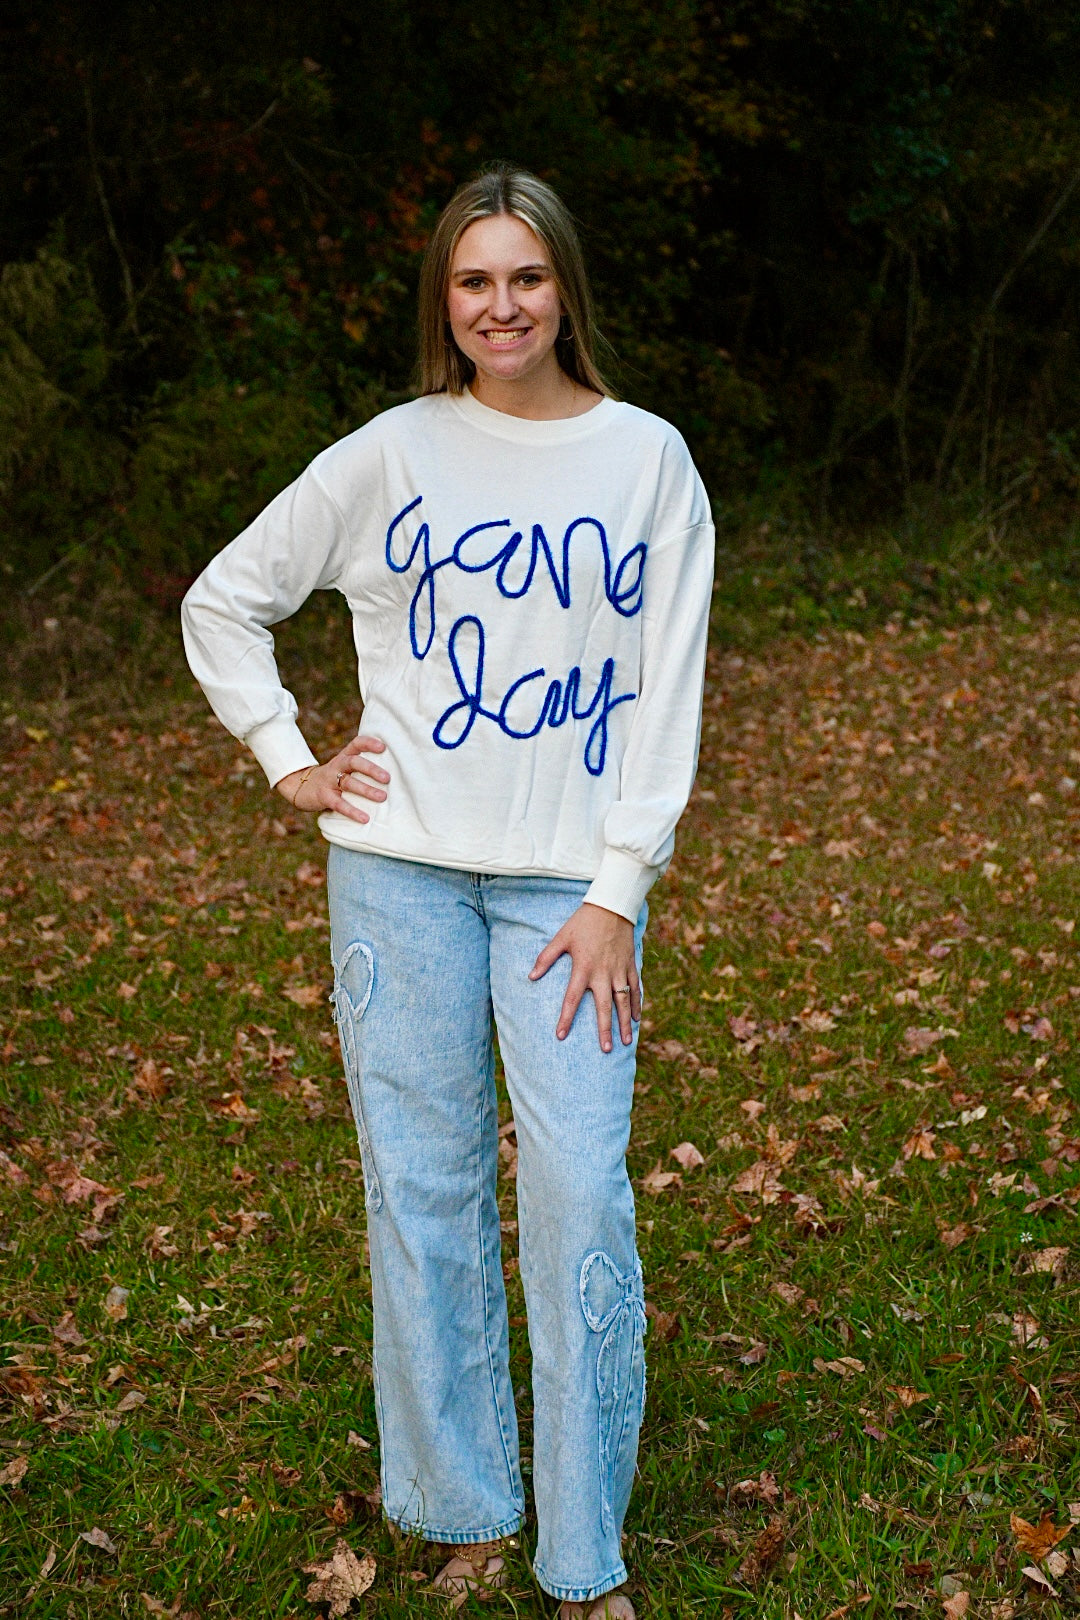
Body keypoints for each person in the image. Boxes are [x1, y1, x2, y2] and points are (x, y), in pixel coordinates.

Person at [181, 163, 714, 1618]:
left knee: (577, 1193)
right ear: (445, 300)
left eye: (526, 278)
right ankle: (464, 1505)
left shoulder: (647, 461)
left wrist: (620, 886)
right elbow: (223, 599)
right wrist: (288, 757)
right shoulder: (390, 455)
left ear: (565, 293)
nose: (502, 305)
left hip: (567, 894)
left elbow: (668, 691)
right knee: (420, 1195)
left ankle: (582, 1549)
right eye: (474, 281)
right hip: (398, 880)